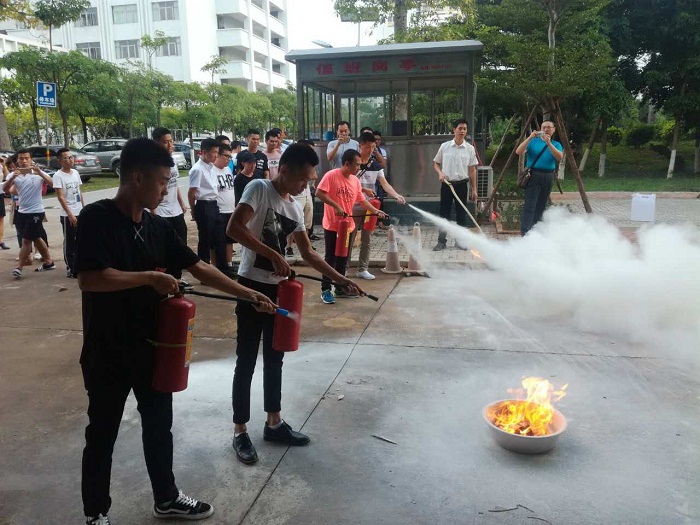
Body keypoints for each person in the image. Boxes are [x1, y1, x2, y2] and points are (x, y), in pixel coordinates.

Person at [75, 137, 276, 524]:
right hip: (108, 349)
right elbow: (90, 279)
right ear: (137, 177)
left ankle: (165, 497)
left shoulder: (157, 225)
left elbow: (199, 267)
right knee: (102, 434)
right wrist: (150, 278)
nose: (167, 188)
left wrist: (245, 292)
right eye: (163, 180)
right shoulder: (97, 217)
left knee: (159, 426)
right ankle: (96, 513)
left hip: (154, 347)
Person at [227, 143, 364, 465]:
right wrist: (273, 254)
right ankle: (239, 430)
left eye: (310, 180)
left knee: (275, 359)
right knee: (246, 360)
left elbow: (308, 254)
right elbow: (233, 227)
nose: (306, 185)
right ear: (284, 170)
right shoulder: (259, 189)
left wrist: (340, 279)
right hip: (251, 287)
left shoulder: (294, 206)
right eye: (303, 178)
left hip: (279, 293)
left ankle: (274, 422)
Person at [315, 149, 386, 304]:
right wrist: (335, 206)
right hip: (332, 225)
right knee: (330, 258)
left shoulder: (354, 180)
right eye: (357, 165)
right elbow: (319, 193)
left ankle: (340, 287)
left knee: (343, 258)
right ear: (346, 163)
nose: (359, 168)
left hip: (347, 226)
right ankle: (326, 289)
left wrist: (375, 211)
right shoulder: (331, 175)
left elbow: (361, 199)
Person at [347, 132, 405, 280]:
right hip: (353, 205)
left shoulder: (376, 165)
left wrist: (396, 195)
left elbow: (384, 184)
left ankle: (363, 269)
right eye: (367, 147)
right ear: (360, 145)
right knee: (349, 238)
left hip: (370, 207)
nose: (371, 150)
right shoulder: (354, 163)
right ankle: (344, 268)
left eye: (373, 147)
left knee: (367, 238)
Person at [2, 148, 55, 278]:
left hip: (36, 211)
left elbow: (53, 184)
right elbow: (5, 189)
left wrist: (40, 173)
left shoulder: (38, 173)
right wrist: (12, 178)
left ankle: (19, 267)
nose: (24, 161)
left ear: (31, 159)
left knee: (26, 240)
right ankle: (48, 262)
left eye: (26, 158)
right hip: (22, 211)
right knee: (36, 237)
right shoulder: (14, 174)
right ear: (17, 161)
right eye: (21, 158)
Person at [152, 127, 191, 288]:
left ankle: (177, 277)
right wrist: (153, 212)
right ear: (156, 143)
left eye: (171, 141)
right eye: (165, 142)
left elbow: (175, 185)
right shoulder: (153, 164)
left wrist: (181, 203)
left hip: (176, 211)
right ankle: (164, 278)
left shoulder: (172, 162)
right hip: (161, 212)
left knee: (180, 244)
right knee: (163, 248)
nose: (170, 145)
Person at [432, 118, 479, 251]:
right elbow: (436, 163)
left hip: (462, 185)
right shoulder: (445, 146)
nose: (462, 131)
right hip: (447, 185)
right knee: (444, 213)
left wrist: (474, 190)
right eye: (460, 128)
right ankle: (441, 241)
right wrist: (440, 173)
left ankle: (460, 241)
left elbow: (472, 170)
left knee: (461, 214)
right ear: (454, 130)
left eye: (465, 129)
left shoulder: (470, 149)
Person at [516, 120, 564, 236]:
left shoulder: (556, 144)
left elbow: (559, 157)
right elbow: (519, 151)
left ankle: (536, 232)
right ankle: (525, 233)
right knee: (530, 205)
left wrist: (549, 144)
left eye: (549, 127)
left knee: (541, 205)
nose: (546, 129)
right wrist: (529, 138)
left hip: (548, 176)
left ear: (553, 130)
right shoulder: (533, 142)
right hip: (533, 175)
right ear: (540, 129)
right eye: (544, 127)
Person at [187, 138, 221, 270]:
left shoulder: (211, 167)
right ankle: (204, 269)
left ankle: (218, 266)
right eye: (213, 152)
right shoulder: (198, 169)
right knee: (205, 239)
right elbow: (192, 192)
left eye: (217, 152)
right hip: (204, 205)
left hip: (213, 204)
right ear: (204, 152)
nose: (215, 155)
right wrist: (193, 210)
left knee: (218, 236)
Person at [52, 148, 85, 278]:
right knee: (70, 241)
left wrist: (83, 208)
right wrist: (70, 214)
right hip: (68, 214)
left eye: (71, 157)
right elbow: (60, 197)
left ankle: (79, 264)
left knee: (80, 240)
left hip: (79, 211)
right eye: (65, 158)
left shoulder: (75, 173)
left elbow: (79, 192)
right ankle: (70, 267)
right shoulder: (58, 176)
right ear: (59, 161)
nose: (69, 160)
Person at [213, 142, 236, 272]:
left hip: (230, 209)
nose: (228, 159)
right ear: (218, 155)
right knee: (218, 242)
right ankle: (219, 267)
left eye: (229, 157)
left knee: (229, 240)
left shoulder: (228, 169)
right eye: (226, 156)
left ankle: (229, 264)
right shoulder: (212, 170)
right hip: (219, 210)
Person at [0, 157, 10, 250]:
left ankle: (1, 241)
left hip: (0, 193)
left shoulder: (1, 165)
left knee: (1, 218)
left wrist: (4, 165)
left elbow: (8, 177)